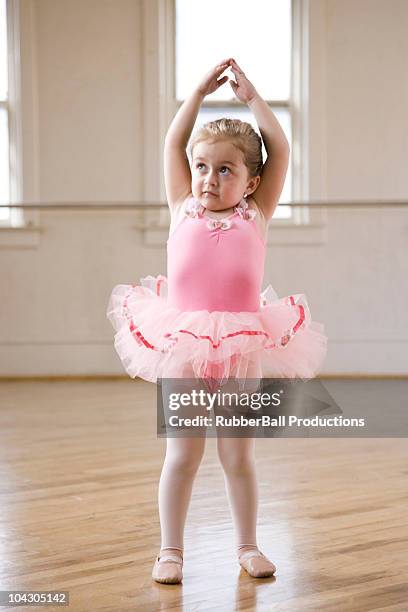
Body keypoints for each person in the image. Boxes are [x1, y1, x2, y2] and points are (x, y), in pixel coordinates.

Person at [107, 58, 327, 584]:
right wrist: (199, 94)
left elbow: (282, 150)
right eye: (202, 166)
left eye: (226, 170)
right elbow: (172, 143)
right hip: (181, 344)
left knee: (237, 456)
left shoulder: (257, 214)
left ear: (251, 182)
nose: (209, 178)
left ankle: (248, 546)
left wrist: (252, 97)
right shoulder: (181, 205)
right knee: (181, 455)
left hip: (242, 348)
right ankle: (170, 551)